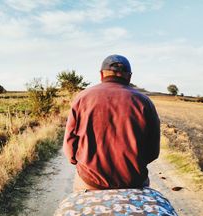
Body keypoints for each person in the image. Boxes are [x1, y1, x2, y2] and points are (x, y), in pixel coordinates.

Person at [63, 54, 160, 191]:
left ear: (101, 75)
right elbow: (153, 151)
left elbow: (69, 143)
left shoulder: (82, 98)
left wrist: (75, 160)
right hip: (134, 182)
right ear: (129, 76)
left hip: (90, 181)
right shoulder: (144, 102)